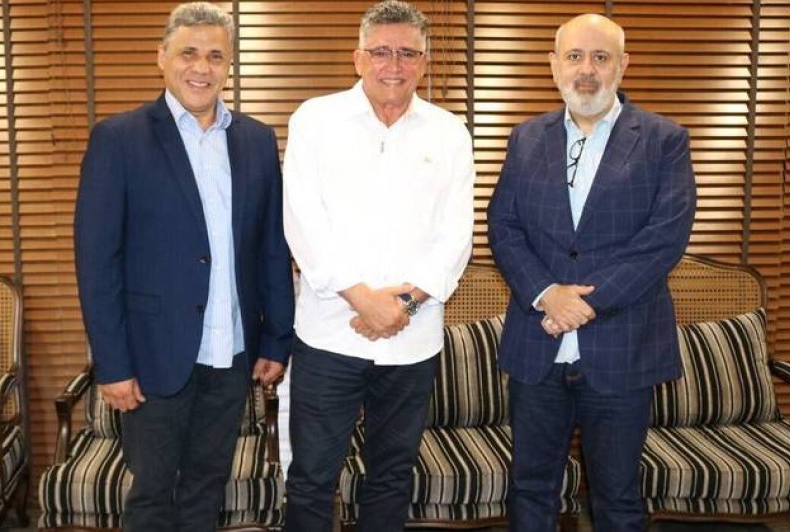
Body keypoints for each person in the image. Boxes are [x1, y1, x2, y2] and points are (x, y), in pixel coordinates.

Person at [73, 2, 295, 530]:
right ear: (162, 57)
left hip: (232, 354)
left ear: (229, 65)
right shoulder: (118, 139)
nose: (202, 67)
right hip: (153, 358)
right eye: (188, 53)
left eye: (216, 56)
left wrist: (275, 339)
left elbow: (270, 247)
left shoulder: (256, 140)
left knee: (206, 489)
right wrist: (113, 364)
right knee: (151, 496)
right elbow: (97, 262)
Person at [487, 13, 697, 532]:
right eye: (575, 56)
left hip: (623, 347)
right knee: (530, 489)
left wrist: (581, 304)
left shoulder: (664, 139)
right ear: (553, 65)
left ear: (622, 65)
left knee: (618, 498)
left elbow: (663, 240)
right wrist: (545, 294)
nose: (587, 70)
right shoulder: (525, 138)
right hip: (537, 346)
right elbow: (503, 227)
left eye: (601, 57)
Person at [281, 1, 475, 530]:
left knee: (391, 476)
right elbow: (303, 222)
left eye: (408, 53)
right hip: (330, 334)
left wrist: (404, 302)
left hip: (412, 339)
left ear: (424, 62)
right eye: (381, 51)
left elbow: (456, 235)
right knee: (312, 477)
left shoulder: (449, 132)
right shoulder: (315, 119)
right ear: (358, 58)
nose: (394, 64)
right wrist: (363, 299)